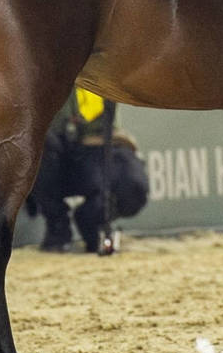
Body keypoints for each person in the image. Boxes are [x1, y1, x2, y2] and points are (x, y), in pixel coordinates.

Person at [30, 88, 150, 252]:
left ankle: (92, 222)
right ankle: (57, 227)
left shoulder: (98, 70)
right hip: (58, 152)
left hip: (96, 147)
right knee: (38, 145)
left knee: (133, 185)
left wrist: (120, 139)